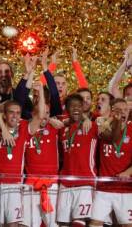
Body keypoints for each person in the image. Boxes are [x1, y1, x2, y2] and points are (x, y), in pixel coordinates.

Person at [0, 81, 45, 227]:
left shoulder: (24, 130)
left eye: (18, 112)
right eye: (11, 112)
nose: (15, 115)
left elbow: (40, 115)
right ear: (5, 114)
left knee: (13, 224)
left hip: (14, 184)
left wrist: (40, 92)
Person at [57, 94, 98, 226]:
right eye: (72, 106)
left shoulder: (91, 126)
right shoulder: (62, 128)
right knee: (62, 223)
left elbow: (108, 127)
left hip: (85, 182)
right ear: (66, 109)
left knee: (79, 223)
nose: (76, 109)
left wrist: (88, 119)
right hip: (65, 182)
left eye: (79, 106)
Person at [90, 98, 132, 226]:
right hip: (104, 188)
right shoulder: (103, 128)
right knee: (94, 224)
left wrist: (128, 172)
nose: (122, 113)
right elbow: (107, 133)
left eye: (125, 110)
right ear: (112, 111)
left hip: (125, 188)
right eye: (118, 110)